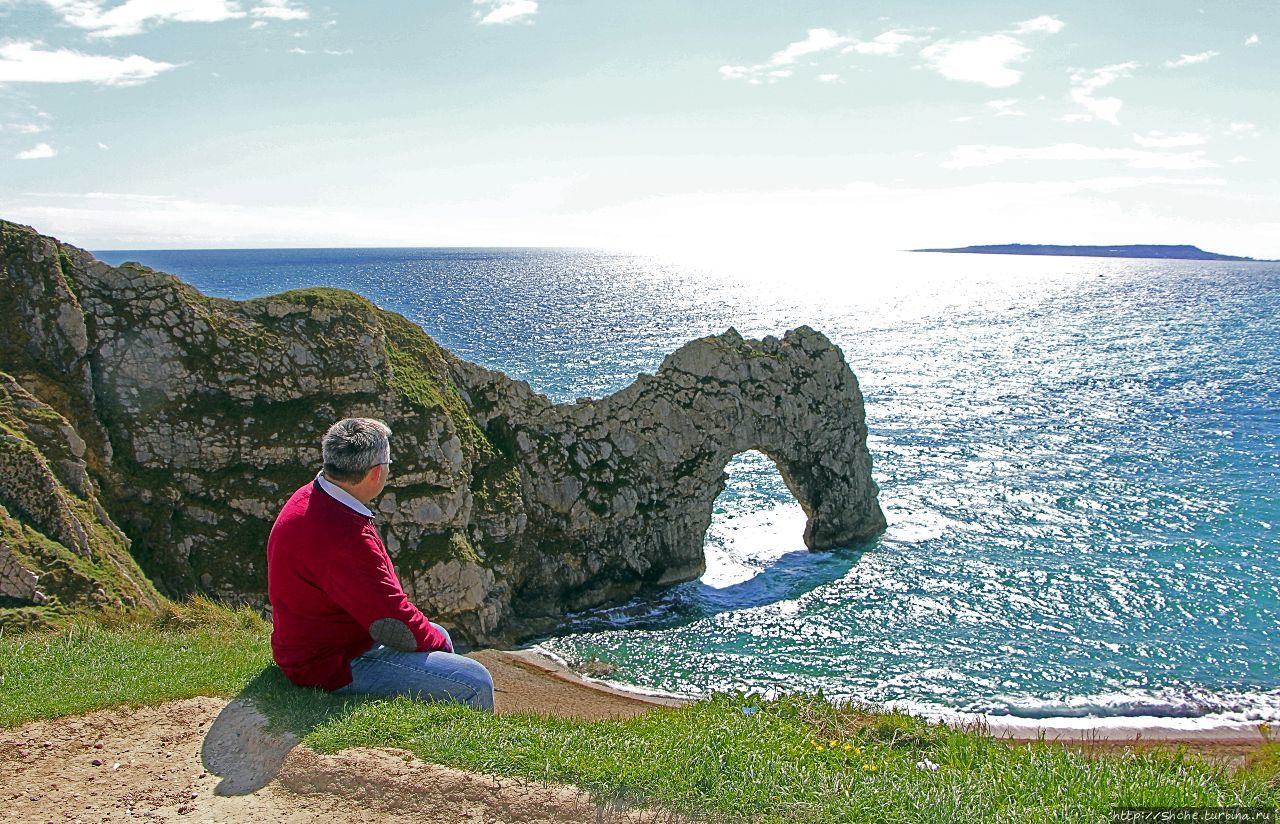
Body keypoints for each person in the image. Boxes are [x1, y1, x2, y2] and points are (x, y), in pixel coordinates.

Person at [266, 417, 494, 711]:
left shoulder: (313, 495)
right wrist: (437, 645)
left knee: (442, 637)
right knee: (475, 682)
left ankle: (432, 722)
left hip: (314, 644)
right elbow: (392, 624)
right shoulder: (345, 537)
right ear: (376, 473)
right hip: (331, 664)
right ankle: (460, 753)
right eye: (388, 462)